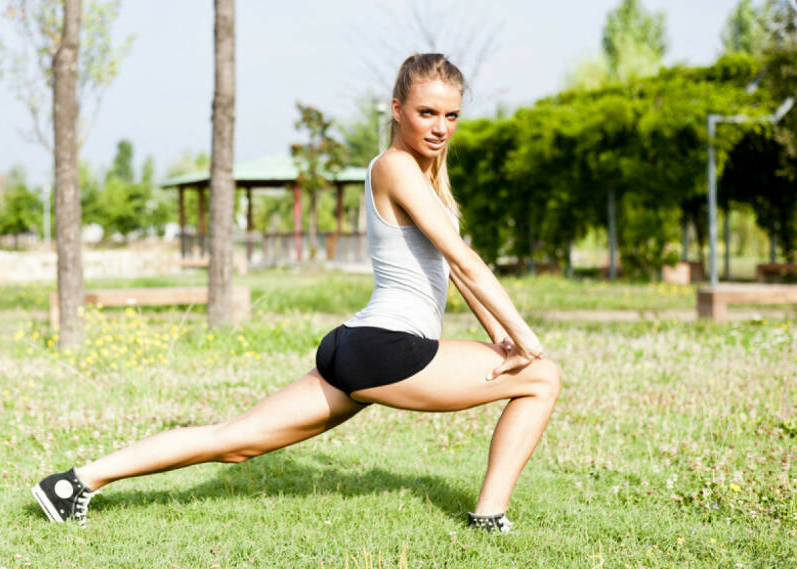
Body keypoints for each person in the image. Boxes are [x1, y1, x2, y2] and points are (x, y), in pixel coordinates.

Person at [32, 53, 560, 533]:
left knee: (235, 441)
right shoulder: (396, 166)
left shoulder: (424, 177)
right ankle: (488, 518)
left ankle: (74, 483)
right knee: (542, 377)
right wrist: (526, 340)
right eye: (427, 113)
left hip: (355, 345)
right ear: (397, 109)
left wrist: (499, 334)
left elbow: (453, 266)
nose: (440, 127)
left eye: (451, 116)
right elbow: (467, 261)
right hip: (389, 349)